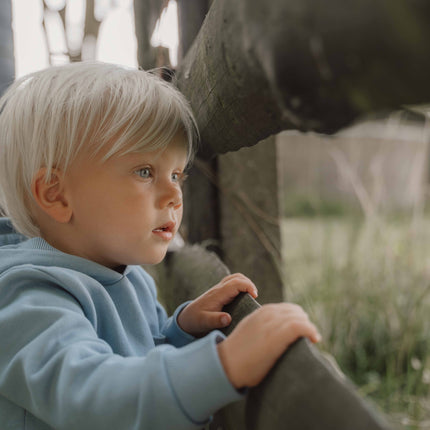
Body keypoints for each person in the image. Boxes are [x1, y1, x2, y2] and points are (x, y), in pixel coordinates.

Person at [0, 62, 321, 430]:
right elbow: (94, 398)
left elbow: (135, 357)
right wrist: (225, 364)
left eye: (176, 175)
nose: (174, 194)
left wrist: (180, 332)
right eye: (144, 172)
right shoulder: (25, 297)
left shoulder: (126, 274)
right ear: (56, 194)